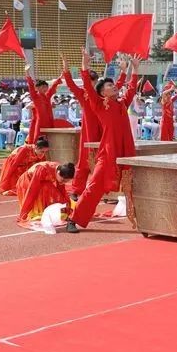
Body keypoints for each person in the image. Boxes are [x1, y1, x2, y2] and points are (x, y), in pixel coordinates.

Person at [66, 49, 139, 233]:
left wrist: (134, 70)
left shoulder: (122, 104)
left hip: (126, 153)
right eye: (109, 85)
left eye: (113, 84)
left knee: (134, 186)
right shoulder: (99, 105)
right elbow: (88, 87)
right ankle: (73, 219)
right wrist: (85, 65)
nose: (113, 86)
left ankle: (145, 220)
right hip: (108, 154)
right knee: (93, 187)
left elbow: (131, 89)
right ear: (101, 92)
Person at [62, 56, 127, 199]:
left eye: (95, 81)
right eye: (91, 81)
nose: (93, 83)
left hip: (103, 130)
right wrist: (66, 69)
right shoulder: (84, 94)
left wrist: (123, 72)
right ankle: (76, 189)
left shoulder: (103, 98)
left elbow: (117, 85)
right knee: (85, 160)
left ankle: (106, 189)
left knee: (106, 160)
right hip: (89, 131)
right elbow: (71, 85)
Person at [24, 66, 62, 143]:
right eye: (43, 87)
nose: (45, 89)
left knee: (49, 141)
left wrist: (60, 77)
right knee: (37, 141)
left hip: (49, 121)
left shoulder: (47, 96)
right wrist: (27, 73)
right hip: (40, 122)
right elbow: (31, 86)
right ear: (37, 88)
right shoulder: (35, 96)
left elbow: (53, 87)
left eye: (46, 87)